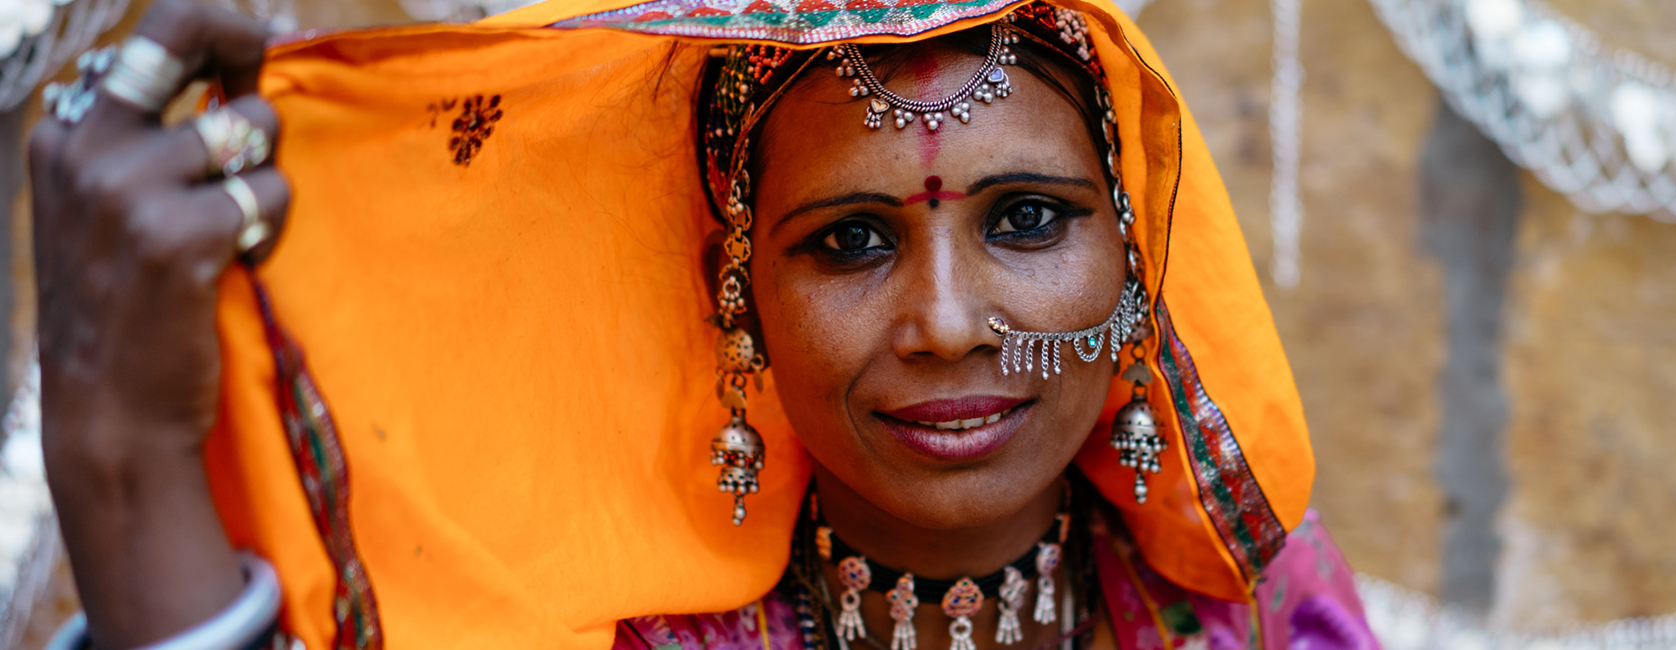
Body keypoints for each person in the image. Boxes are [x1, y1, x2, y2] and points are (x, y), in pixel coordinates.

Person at [27, 0, 1379, 648]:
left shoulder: (1253, 614)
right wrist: (120, 448)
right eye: (849, 240)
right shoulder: (632, 634)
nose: (953, 323)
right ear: (739, 299)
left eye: (1026, 218)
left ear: (1136, 262)